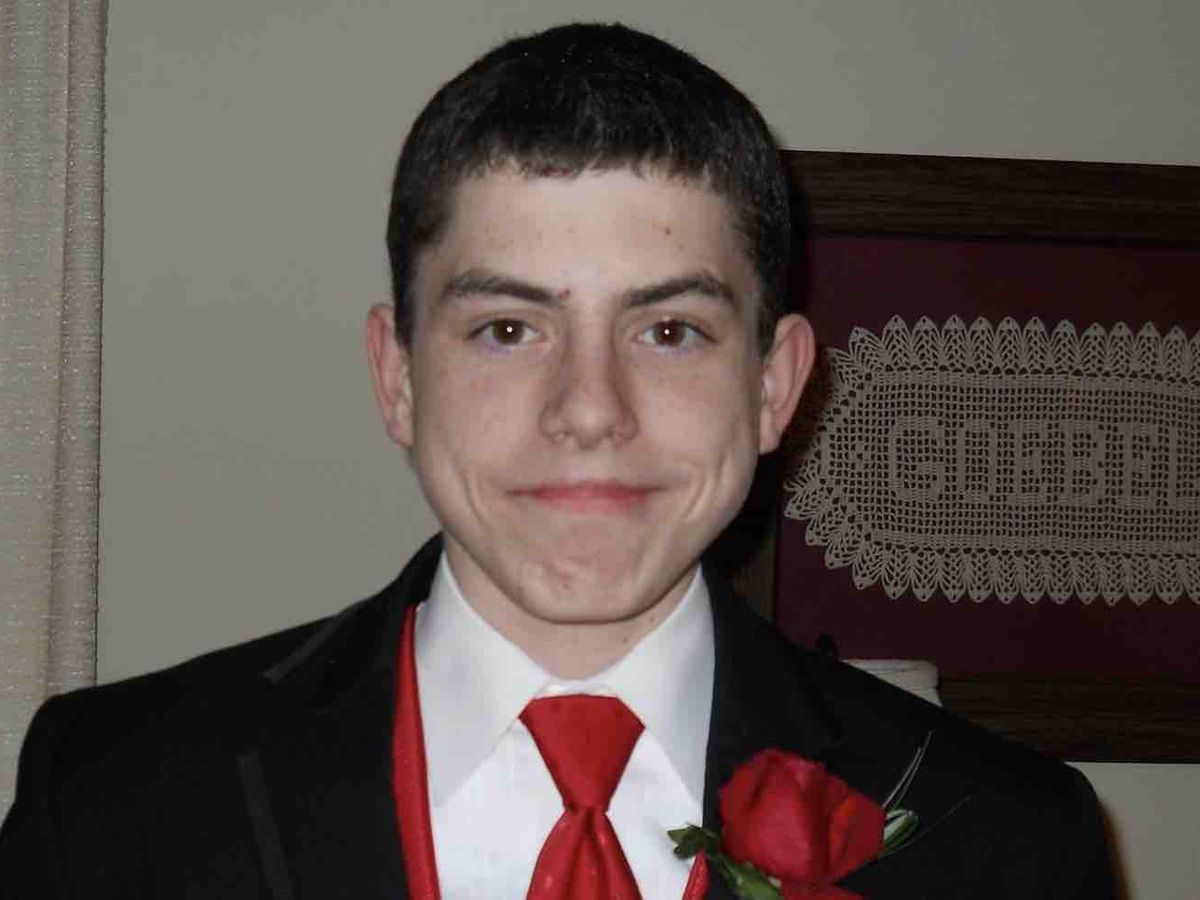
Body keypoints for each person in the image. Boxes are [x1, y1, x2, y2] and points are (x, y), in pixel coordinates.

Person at [0, 22, 1113, 899]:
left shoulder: (1010, 843)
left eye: (669, 330)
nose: (589, 411)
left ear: (774, 386)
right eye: (508, 329)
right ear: (397, 378)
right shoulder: (108, 801)